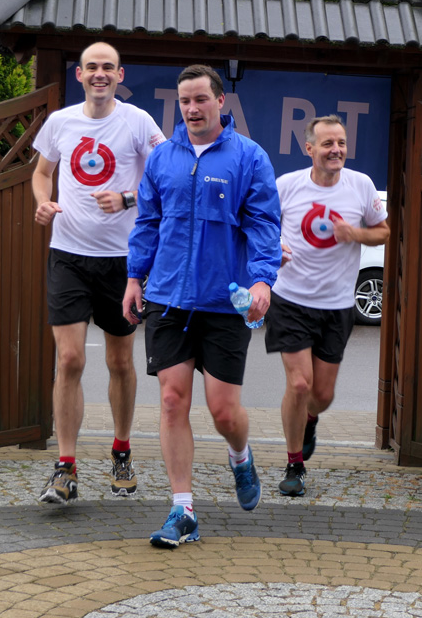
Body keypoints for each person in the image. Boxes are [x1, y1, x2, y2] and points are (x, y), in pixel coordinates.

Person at [122, 64, 281, 548]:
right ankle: (183, 509)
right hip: (167, 297)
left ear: (220, 102)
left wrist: (262, 280)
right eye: (185, 101)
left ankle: (240, 456)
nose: (192, 109)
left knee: (223, 411)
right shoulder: (162, 158)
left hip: (225, 302)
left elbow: (264, 225)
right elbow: (148, 222)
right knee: (172, 400)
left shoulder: (249, 157)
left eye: (200, 100)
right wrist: (134, 277)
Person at [31, 41, 165, 504]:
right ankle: (65, 467)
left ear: (120, 75)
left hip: (123, 262)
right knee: (69, 360)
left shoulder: (139, 122)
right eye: (92, 67)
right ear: (80, 74)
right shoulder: (60, 122)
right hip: (68, 255)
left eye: (108, 67)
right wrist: (43, 202)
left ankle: (121, 452)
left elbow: (165, 180)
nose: (100, 74)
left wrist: (127, 199)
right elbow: (41, 172)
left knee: (119, 362)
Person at [267, 115, 389, 497]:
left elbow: (384, 231)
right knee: (299, 383)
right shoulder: (287, 186)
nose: (336, 150)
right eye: (327, 144)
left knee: (322, 394)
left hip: (337, 306)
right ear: (309, 149)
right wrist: (274, 247)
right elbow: (259, 226)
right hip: (290, 300)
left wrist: (356, 233)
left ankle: (310, 419)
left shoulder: (361, 186)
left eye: (341, 143)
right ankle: (294, 465)